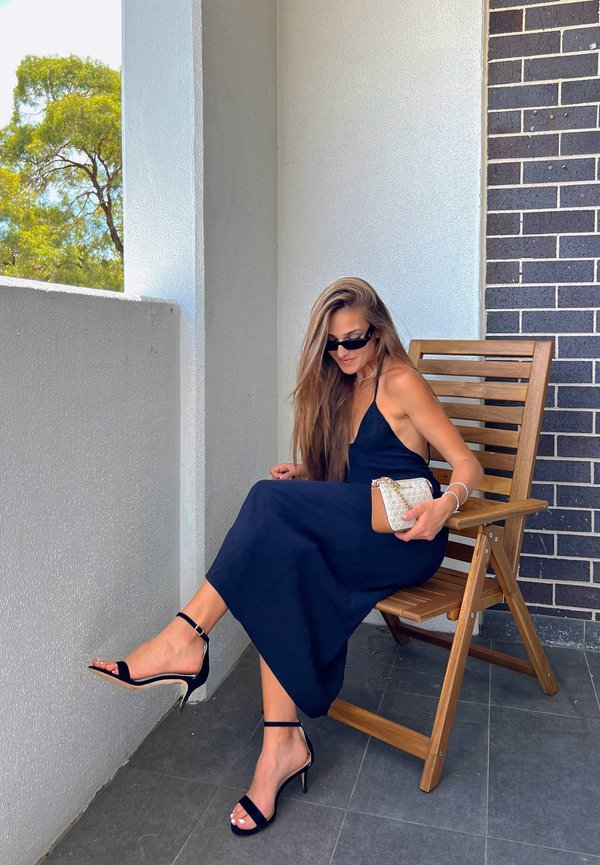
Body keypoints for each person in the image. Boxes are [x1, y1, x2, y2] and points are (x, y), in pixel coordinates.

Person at [89, 276, 482, 836]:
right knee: (279, 558)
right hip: (358, 526)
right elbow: (354, 481)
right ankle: (281, 745)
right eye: (332, 344)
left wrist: (448, 504)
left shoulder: (401, 381)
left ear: (380, 330)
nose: (343, 353)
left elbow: (467, 465)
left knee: (265, 503)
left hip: (405, 538)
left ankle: (185, 637)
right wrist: (307, 478)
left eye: (354, 340)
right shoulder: (340, 390)